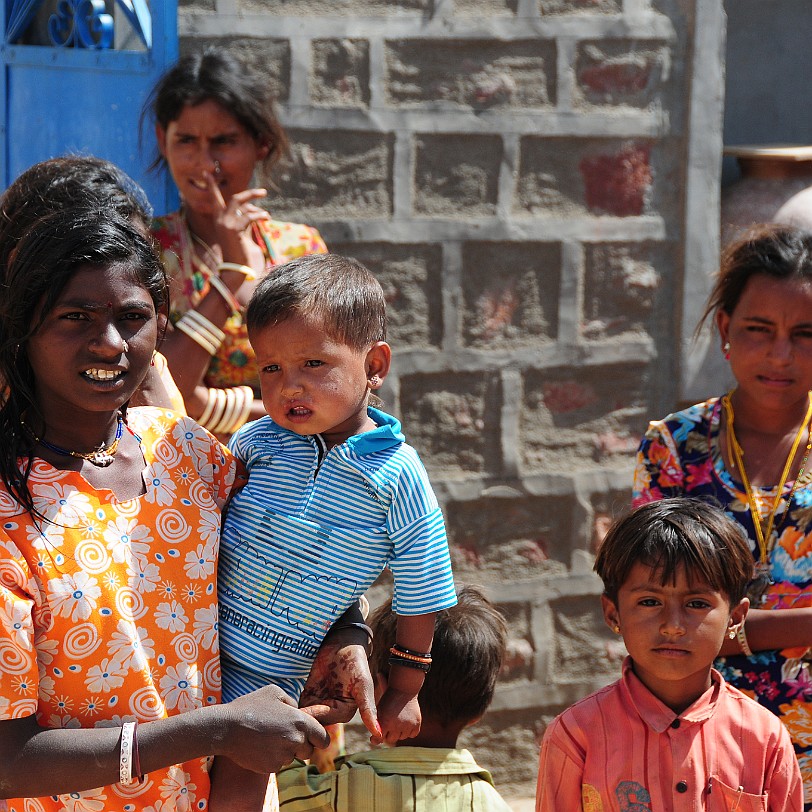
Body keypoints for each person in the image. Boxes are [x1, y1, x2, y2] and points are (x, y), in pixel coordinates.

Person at [0, 178, 374, 811]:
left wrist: (348, 631)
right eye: (74, 318)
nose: (111, 344)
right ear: (23, 332)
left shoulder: (182, 449)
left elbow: (287, 549)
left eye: (132, 318)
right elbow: (8, 760)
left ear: (161, 325)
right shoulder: (10, 511)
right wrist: (218, 729)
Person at [209, 253, 458, 810]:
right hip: (190, 651)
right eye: (270, 368)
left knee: (237, 788)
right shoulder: (255, 444)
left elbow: (423, 592)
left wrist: (404, 690)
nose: (288, 386)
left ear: (375, 364)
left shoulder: (397, 476)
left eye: (313, 364)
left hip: (273, 681)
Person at [632, 224, 812, 805]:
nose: (780, 355)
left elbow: (692, 624)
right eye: (760, 329)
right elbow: (660, 621)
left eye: (805, 334)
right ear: (726, 329)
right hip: (696, 745)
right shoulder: (675, 448)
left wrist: (729, 629)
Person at [536, 498, 803, 811]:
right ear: (613, 614)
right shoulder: (575, 736)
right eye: (650, 602)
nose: (673, 626)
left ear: (735, 618)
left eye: (697, 604)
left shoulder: (764, 737)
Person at [145, 46, 328, 437]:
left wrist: (206, 406)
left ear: (259, 143)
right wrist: (230, 275)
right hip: (177, 476)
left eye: (224, 141)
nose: (205, 163)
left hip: (284, 476)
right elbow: (158, 388)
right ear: (163, 140)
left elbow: (332, 392)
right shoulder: (146, 250)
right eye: (187, 141)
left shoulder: (300, 250)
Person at [277, 585, 514, 812]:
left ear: (378, 690)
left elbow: (277, 783)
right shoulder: (492, 803)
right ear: (479, 711)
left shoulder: (338, 791)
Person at [0, 154, 184, 414]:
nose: (112, 343)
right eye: (76, 316)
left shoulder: (144, 364)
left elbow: (176, 446)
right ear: (19, 264)